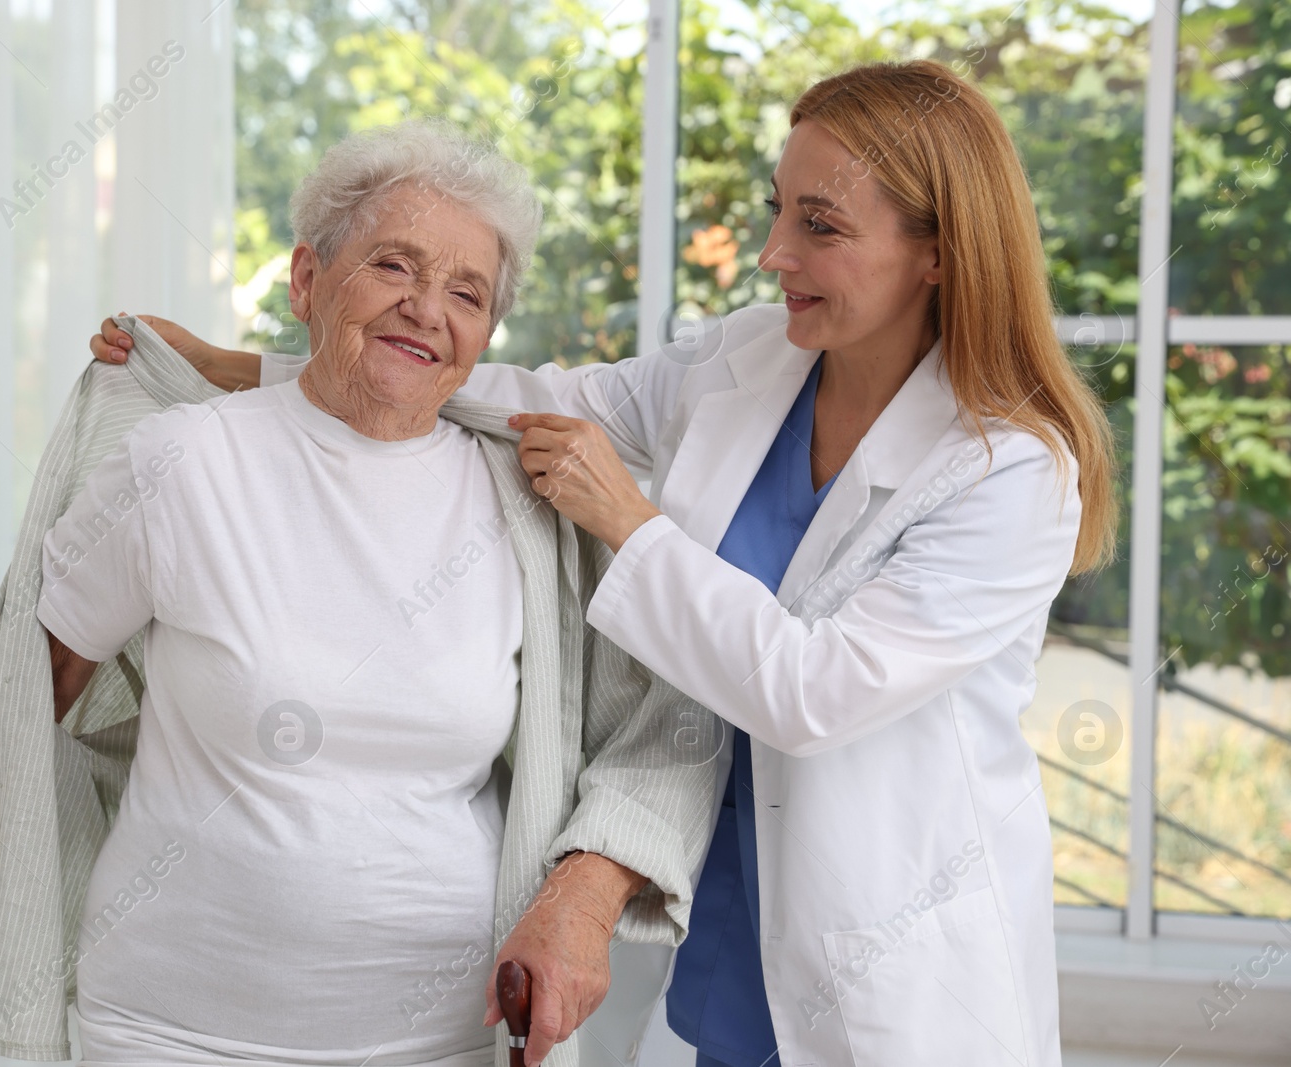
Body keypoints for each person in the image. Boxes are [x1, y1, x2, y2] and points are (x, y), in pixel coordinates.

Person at [91, 60, 1116, 1065]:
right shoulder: (757, 360)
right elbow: (536, 394)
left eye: (819, 225)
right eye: (778, 209)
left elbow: (816, 690)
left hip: (886, 942)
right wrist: (255, 368)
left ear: (936, 252)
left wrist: (630, 523)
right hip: (721, 911)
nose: (771, 254)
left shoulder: (1006, 471)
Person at [0, 122, 721, 1067]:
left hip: (444, 1036)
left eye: (466, 293)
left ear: (488, 335)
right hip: (169, 1030)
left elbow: (660, 719)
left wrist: (585, 894)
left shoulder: (528, 505)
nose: (425, 309)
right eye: (392, 266)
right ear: (306, 280)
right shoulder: (183, 462)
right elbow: (20, 694)